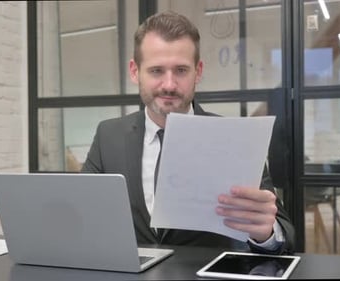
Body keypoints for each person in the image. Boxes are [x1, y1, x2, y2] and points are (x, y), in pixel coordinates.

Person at [81, 11, 295, 255]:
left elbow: (284, 236)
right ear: (134, 71)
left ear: (198, 71)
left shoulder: (235, 139)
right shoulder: (108, 135)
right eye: (156, 71)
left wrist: (265, 232)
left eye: (181, 70)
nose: (169, 85)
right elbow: (84, 214)